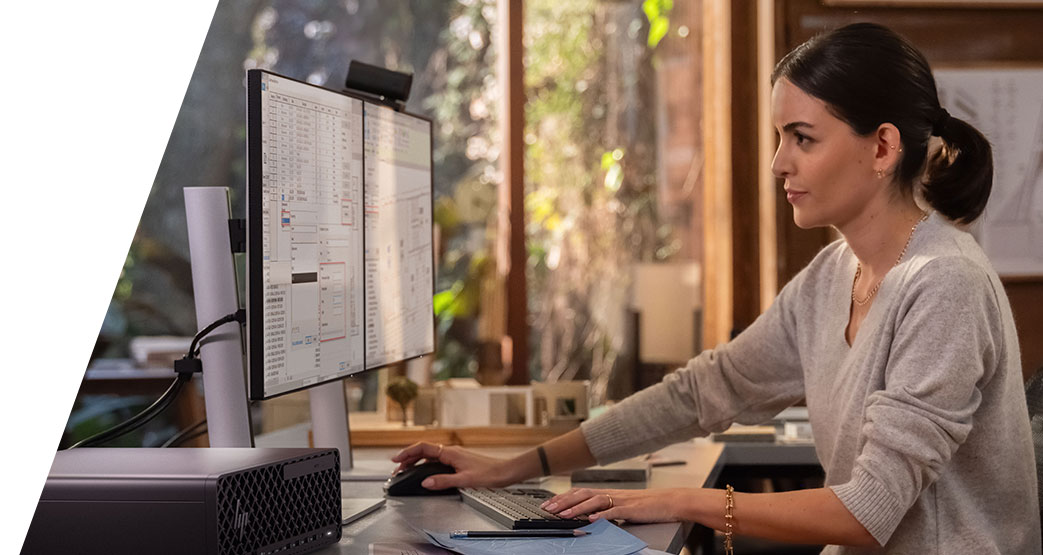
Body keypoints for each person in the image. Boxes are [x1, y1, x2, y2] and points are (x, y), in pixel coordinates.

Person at [392, 22, 1041, 553]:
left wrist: (678, 499)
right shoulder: (830, 275)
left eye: (801, 139)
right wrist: (513, 467)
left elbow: (865, 513)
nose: (777, 163)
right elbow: (701, 391)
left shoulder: (944, 284)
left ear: (881, 148)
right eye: (777, 138)